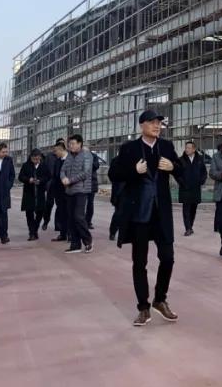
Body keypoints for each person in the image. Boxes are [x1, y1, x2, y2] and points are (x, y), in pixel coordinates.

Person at [108, 108, 184, 326]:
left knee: (168, 258)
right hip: (139, 213)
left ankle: (160, 299)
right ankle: (143, 307)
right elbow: (114, 174)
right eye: (152, 122)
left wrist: (173, 166)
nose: (157, 126)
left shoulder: (166, 147)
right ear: (142, 125)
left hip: (161, 213)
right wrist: (134, 170)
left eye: (159, 122)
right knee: (139, 262)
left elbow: (183, 173)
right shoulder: (129, 148)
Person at [60, 135, 94, 254]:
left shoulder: (86, 155)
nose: (71, 146)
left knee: (78, 216)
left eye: (73, 143)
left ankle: (88, 241)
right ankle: (75, 244)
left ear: (80, 144)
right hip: (69, 190)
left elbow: (86, 173)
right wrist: (63, 178)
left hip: (81, 190)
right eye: (69, 144)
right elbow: (62, 170)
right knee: (71, 218)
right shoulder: (69, 156)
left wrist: (70, 180)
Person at [19, 148, 50, 241]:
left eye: (38, 159)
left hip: (40, 192)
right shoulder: (26, 165)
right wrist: (29, 179)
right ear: (31, 157)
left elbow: (48, 176)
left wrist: (41, 180)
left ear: (40, 157)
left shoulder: (44, 165)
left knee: (40, 212)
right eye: (34, 159)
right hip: (29, 192)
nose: (36, 161)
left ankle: (35, 229)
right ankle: (32, 233)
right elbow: (20, 177)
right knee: (29, 213)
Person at [178, 141, 207, 236]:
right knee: (186, 209)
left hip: (196, 188)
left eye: (189, 148)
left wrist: (201, 181)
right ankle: (188, 228)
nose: (187, 149)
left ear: (194, 149)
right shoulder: (181, 160)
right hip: (185, 188)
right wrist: (182, 182)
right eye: (186, 148)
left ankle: (190, 226)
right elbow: (177, 174)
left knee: (193, 209)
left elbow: (204, 172)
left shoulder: (199, 159)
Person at [41, 138, 64, 232]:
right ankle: (46, 221)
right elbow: (44, 169)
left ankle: (58, 225)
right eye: (60, 144)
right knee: (49, 204)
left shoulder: (65, 157)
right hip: (50, 184)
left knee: (60, 205)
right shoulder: (49, 156)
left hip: (60, 185)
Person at [49, 141, 68, 242]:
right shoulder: (57, 161)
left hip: (68, 191)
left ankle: (71, 234)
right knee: (62, 213)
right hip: (59, 192)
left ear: (61, 149)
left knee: (70, 213)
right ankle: (63, 233)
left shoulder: (70, 160)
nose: (55, 153)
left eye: (56, 151)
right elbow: (55, 176)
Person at [86, 151, 101, 229]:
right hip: (80, 183)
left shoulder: (93, 156)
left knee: (90, 203)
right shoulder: (76, 155)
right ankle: (80, 221)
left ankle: (88, 222)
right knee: (80, 204)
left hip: (91, 183)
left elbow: (96, 166)